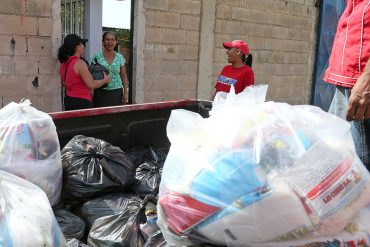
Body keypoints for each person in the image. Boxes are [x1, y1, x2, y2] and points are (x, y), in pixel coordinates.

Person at [323, 0, 370, 170]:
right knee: (335, 159)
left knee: (358, 167)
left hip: (361, 84)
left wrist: (367, 81)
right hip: (346, 82)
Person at [58, 34, 110, 111]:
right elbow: (91, 84)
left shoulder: (63, 63)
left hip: (69, 99)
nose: (83, 47)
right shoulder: (80, 63)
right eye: (82, 44)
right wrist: (104, 80)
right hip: (82, 101)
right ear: (77, 46)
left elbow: (64, 83)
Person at [90, 31, 130, 107]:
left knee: (115, 116)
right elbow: (91, 76)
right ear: (103, 41)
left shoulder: (119, 57)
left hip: (116, 92)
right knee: (100, 117)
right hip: (100, 91)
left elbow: (124, 75)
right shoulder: (96, 57)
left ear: (116, 42)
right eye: (107, 39)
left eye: (112, 39)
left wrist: (125, 93)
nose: (110, 42)